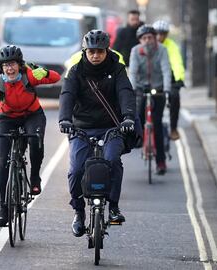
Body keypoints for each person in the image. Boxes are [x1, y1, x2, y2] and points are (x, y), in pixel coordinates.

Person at [58, 30, 136, 237]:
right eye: (91, 52)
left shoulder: (117, 69)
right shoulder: (76, 71)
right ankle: (78, 212)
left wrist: (127, 117)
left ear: (106, 51)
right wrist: (65, 119)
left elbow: (125, 92)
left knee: (112, 161)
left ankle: (114, 207)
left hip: (111, 126)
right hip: (81, 127)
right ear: (85, 51)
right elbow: (67, 94)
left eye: (99, 52)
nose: (95, 56)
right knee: (75, 170)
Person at [0, 45, 60, 227]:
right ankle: (3, 208)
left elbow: (56, 78)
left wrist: (44, 72)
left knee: (35, 139)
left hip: (32, 115)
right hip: (7, 118)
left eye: (13, 64)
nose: (10, 68)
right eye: (6, 65)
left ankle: (34, 177)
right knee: (3, 161)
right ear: (1, 67)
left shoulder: (28, 75)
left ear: (19, 64)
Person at [129, 24, 171, 175]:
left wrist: (166, 89)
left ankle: (161, 162)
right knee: (138, 117)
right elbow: (133, 72)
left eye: (150, 37)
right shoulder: (135, 51)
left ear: (155, 38)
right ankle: (139, 140)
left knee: (157, 125)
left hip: (158, 89)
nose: (147, 40)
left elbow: (166, 70)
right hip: (140, 88)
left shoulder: (162, 50)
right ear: (140, 40)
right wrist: (132, 89)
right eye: (144, 38)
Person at [153, 20, 185, 141]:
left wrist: (179, 79)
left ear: (166, 34)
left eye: (163, 34)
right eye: (157, 33)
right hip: (153, 79)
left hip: (169, 79)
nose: (160, 36)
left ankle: (173, 128)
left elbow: (177, 63)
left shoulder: (171, 45)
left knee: (174, 97)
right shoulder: (149, 44)